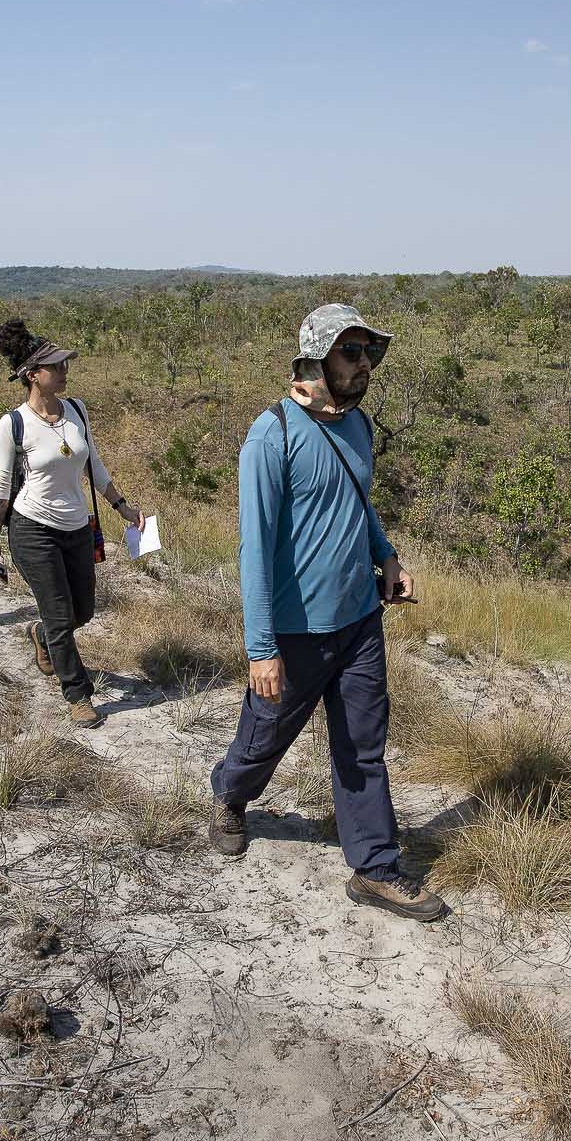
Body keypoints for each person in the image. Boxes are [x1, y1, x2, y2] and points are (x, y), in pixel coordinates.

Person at [205, 303, 444, 923]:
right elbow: (253, 549)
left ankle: (374, 866)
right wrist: (260, 648)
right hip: (295, 630)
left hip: (360, 619)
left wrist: (386, 557)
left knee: (363, 745)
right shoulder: (273, 435)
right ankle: (230, 793)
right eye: (351, 353)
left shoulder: (358, 426)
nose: (365, 365)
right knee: (265, 736)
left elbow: (356, 504)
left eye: (369, 353)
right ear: (315, 359)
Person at [0, 320, 141, 728]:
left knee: (83, 611)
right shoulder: (13, 423)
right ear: (32, 374)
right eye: (55, 366)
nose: (64, 371)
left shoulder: (77, 410)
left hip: (76, 526)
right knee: (60, 616)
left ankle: (42, 635)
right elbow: (2, 482)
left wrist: (121, 507)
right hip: (32, 527)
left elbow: (94, 464)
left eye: (65, 364)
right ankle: (78, 695)